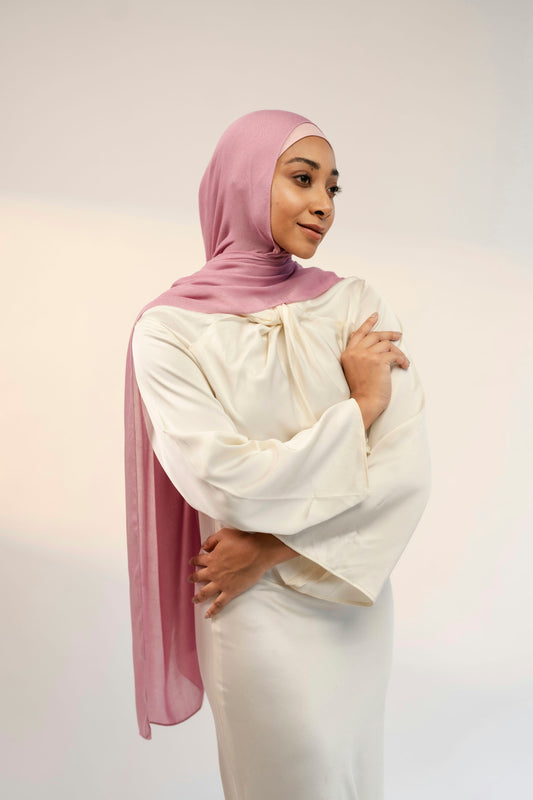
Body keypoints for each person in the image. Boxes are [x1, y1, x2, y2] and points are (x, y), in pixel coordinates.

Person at [125, 109, 431, 799]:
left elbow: (402, 470)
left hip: (345, 594)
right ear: (243, 182)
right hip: (252, 609)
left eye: (332, 187)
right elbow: (223, 481)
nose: (323, 204)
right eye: (301, 179)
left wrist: (268, 545)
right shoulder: (169, 330)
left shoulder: (354, 304)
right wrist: (360, 408)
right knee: (291, 781)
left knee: (351, 777)